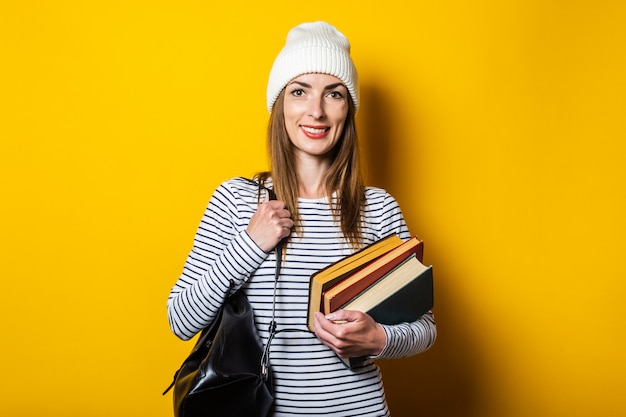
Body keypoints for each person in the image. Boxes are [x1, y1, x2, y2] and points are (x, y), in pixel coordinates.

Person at [167, 21, 436, 416]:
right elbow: (181, 318)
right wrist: (249, 244)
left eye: (334, 94)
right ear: (281, 105)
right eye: (299, 91)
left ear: (349, 108)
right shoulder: (236, 201)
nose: (316, 110)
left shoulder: (378, 208)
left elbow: (425, 328)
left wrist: (376, 338)